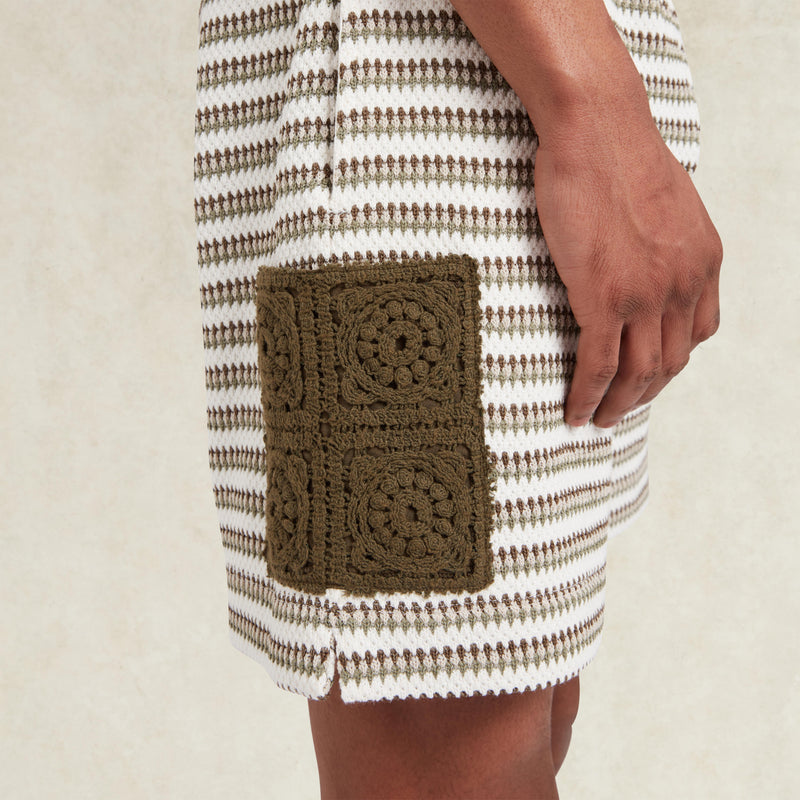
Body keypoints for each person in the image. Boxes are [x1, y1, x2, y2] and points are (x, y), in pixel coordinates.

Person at [193, 0, 722, 797]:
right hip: (413, 104)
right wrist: (597, 110)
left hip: (535, 83)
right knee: (449, 738)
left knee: (525, 710)